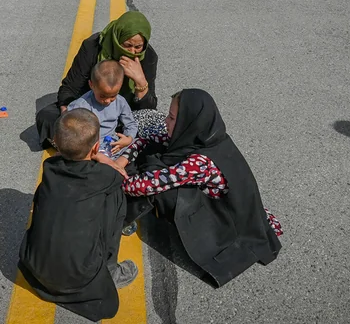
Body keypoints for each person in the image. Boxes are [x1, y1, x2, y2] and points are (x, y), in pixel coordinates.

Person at [114, 90, 282, 287]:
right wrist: (124, 158)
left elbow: (144, 186)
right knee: (154, 155)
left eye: (172, 117)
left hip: (226, 220)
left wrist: (114, 179)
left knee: (162, 190)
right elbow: (148, 141)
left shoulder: (199, 162)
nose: (165, 121)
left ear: (188, 121)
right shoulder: (207, 137)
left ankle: (123, 218)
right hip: (238, 206)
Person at [19, 109, 138, 321]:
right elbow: (120, 175)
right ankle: (110, 269)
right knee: (115, 197)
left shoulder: (49, 168)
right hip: (79, 277)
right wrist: (103, 158)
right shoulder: (103, 176)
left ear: (55, 141)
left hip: (35, 267)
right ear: (95, 146)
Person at [35, 11, 158, 149]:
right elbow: (69, 88)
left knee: (155, 124)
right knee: (47, 117)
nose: (132, 52)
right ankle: (84, 145)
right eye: (127, 45)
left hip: (122, 114)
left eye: (138, 47)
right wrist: (69, 120)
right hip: (88, 110)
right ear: (116, 39)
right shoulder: (93, 46)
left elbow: (149, 108)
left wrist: (140, 81)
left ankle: (82, 146)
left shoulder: (148, 57)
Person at [67, 60, 138, 156]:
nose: (108, 101)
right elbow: (70, 131)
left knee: (140, 144)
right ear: (92, 85)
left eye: (113, 96)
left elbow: (130, 124)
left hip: (114, 146)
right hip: (90, 150)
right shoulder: (81, 106)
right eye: (102, 96)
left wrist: (128, 139)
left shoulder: (120, 102)